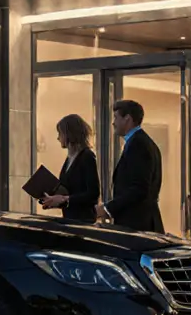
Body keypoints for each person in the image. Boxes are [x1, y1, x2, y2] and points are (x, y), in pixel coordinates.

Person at [95, 99, 164, 232]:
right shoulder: (140, 142)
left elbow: (139, 188)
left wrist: (107, 208)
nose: (113, 122)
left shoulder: (138, 145)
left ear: (127, 119)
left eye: (116, 117)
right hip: (140, 222)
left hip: (138, 225)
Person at [38, 114, 99, 222]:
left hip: (83, 220)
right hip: (70, 218)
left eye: (60, 134)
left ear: (69, 134)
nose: (58, 138)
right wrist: (53, 200)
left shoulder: (87, 156)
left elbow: (93, 194)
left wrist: (65, 200)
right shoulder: (70, 158)